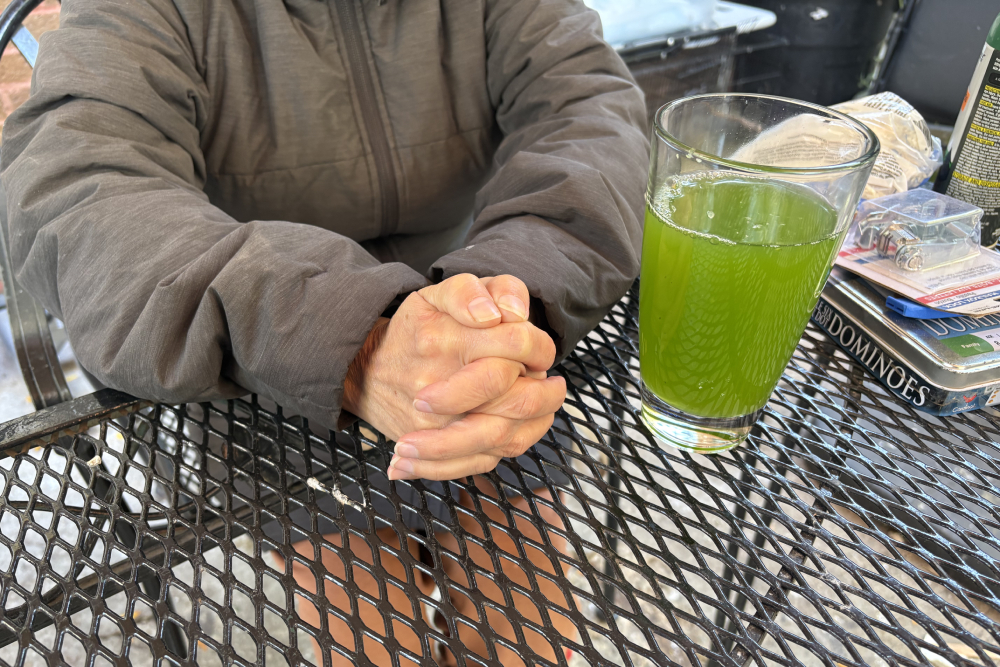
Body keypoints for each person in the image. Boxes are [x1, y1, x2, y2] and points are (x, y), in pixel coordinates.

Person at [0, 0, 647, 663]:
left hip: (478, 324)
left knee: (525, 639)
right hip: (264, 366)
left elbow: (590, 115)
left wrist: (501, 296)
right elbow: (79, 189)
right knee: (377, 640)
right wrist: (357, 339)